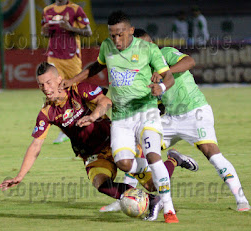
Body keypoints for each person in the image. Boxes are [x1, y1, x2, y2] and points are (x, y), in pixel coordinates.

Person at [0, 62, 197, 221]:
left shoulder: (78, 89)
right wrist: (20, 176)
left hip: (115, 141)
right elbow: (36, 145)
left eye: (49, 82)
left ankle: (174, 159)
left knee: (154, 183)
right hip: (92, 154)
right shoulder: (47, 112)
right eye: (41, 84)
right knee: (100, 182)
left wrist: (93, 116)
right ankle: (151, 200)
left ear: (59, 79)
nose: (46, 88)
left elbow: (105, 102)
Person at [60, 11, 180, 223]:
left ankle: (168, 209)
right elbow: (97, 66)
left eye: (121, 34)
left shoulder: (148, 49)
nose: (116, 40)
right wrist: (74, 80)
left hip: (146, 112)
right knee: (124, 163)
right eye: (113, 35)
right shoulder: (107, 46)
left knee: (152, 155)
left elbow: (168, 75)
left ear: (131, 31)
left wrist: (160, 86)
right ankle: (169, 162)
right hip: (121, 117)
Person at [135, 29, 250, 214]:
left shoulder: (165, 54)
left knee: (211, 153)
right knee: (140, 149)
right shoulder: (142, 71)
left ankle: (241, 199)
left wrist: (164, 72)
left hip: (195, 112)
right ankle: (128, 197)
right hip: (170, 119)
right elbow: (159, 102)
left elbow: (190, 61)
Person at [41, 0, 92, 144]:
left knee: (77, 92)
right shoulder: (47, 10)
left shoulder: (75, 9)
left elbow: (88, 32)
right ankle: (64, 131)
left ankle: (87, 125)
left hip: (72, 58)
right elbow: (44, 32)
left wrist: (70, 28)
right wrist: (45, 31)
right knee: (54, 93)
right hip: (54, 57)